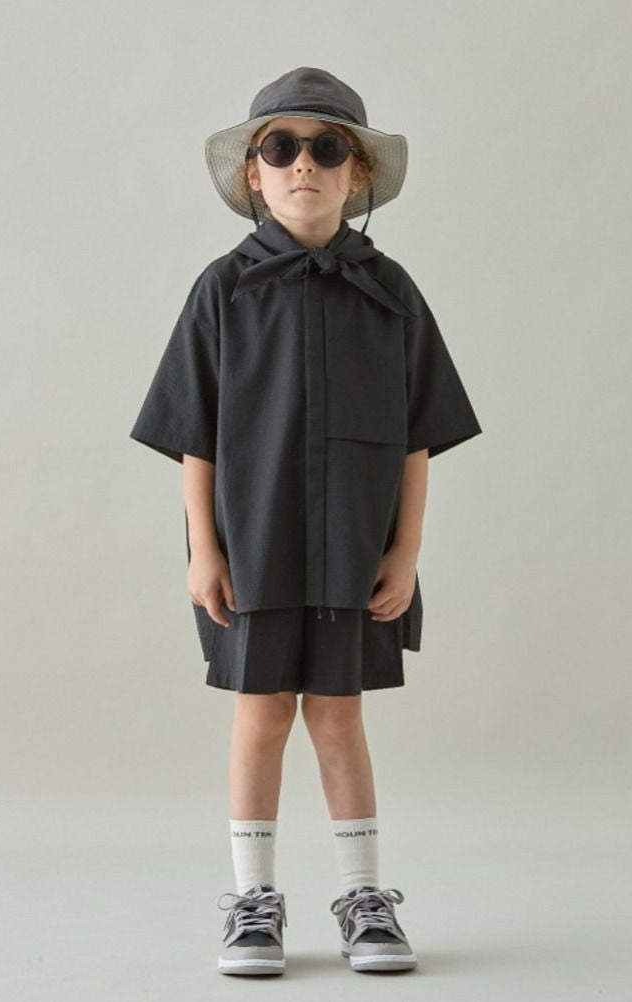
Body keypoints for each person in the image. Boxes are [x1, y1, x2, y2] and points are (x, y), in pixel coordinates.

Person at [129, 66, 482, 976]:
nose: (303, 165)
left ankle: (365, 900)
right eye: (281, 147)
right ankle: (254, 902)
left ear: (356, 173)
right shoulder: (223, 290)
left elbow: (418, 434)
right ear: (254, 171)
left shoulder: (391, 292)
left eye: (327, 148)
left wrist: (405, 550)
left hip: (355, 546)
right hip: (254, 544)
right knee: (260, 715)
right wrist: (204, 549)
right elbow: (194, 432)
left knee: (337, 714)